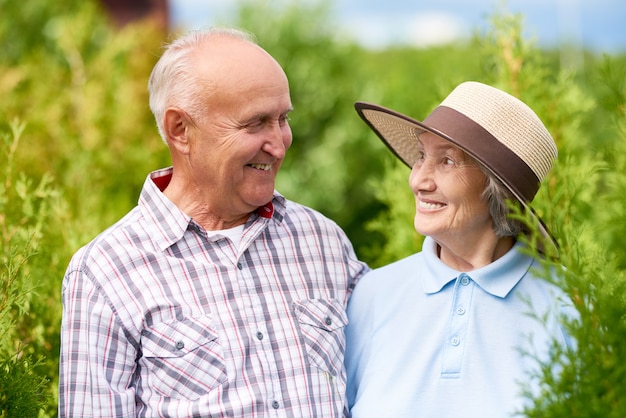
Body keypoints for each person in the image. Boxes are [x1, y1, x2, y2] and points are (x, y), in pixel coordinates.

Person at [58, 27, 368, 417]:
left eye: (282, 119)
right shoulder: (106, 271)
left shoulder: (322, 240)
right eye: (255, 124)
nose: (278, 143)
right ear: (180, 130)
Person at [344, 81, 575, 417]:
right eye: (422, 156)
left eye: (448, 161)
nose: (418, 180)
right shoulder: (373, 294)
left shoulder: (569, 307)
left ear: (498, 190)